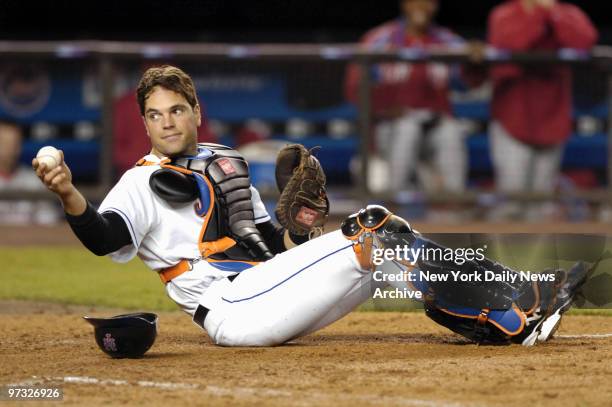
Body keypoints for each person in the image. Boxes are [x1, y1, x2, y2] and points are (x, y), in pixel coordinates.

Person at [33, 65, 585, 347]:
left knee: (392, 242)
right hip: (232, 310)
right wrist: (67, 192)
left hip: (268, 288)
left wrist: (297, 228)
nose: (168, 121)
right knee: (372, 227)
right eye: (155, 114)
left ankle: (501, 313)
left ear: (196, 110)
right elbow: (104, 237)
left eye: (177, 109)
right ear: (145, 122)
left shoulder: (224, 164)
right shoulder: (140, 180)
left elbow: (273, 247)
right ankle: (516, 302)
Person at [345, 0, 484, 192]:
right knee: (406, 130)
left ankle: (454, 204)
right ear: (405, 4)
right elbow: (354, 88)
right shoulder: (380, 39)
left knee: (451, 132)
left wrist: (475, 63)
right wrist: (383, 108)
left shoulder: (448, 41)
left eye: (428, 2)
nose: (422, 6)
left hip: (435, 124)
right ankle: (393, 203)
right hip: (391, 125)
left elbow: (468, 83)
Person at [487, 0, 598, 219]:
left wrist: (553, 13)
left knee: (540, 207)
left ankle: (533, 254)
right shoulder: (505, 13)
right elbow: (512, 43)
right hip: (513, 117)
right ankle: (498, 253)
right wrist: (537, 14)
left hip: (552, 117)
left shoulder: (567, 12)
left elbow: (584, 41)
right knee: (512, 203)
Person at [0, 120, 59, 224]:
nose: (10, 149)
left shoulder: (35, 179)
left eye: (14, 143)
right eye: (4, 143)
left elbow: (48, 222)